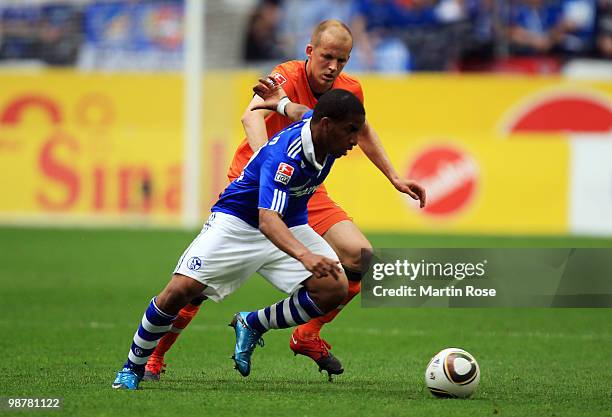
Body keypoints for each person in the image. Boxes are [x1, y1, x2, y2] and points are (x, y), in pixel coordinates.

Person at [144, 19, 426, 382]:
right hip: (253, 185)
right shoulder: (285, 77)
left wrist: (394, 176)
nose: (334, 67)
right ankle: (154, 358)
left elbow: (364, 129)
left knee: (360, 257)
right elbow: (251, 115)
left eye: (342, 60)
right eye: (327, 57)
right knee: (196, 285)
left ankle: (307, 334)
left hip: (305, 189)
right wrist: (266, 163)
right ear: (310, 52)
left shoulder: (348, 90)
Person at [112, 86, 366, 390]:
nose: (355, 140)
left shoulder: (321, 128)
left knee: (333, 287)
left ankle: (253, 323)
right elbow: (267, 221)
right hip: (239, 222)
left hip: (289, 222)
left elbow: (303, 112)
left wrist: (283, 104)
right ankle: (131, 367)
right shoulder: (287, 156)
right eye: (351, 131)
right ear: (327, 125)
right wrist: (305, 256)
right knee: (179, 291)